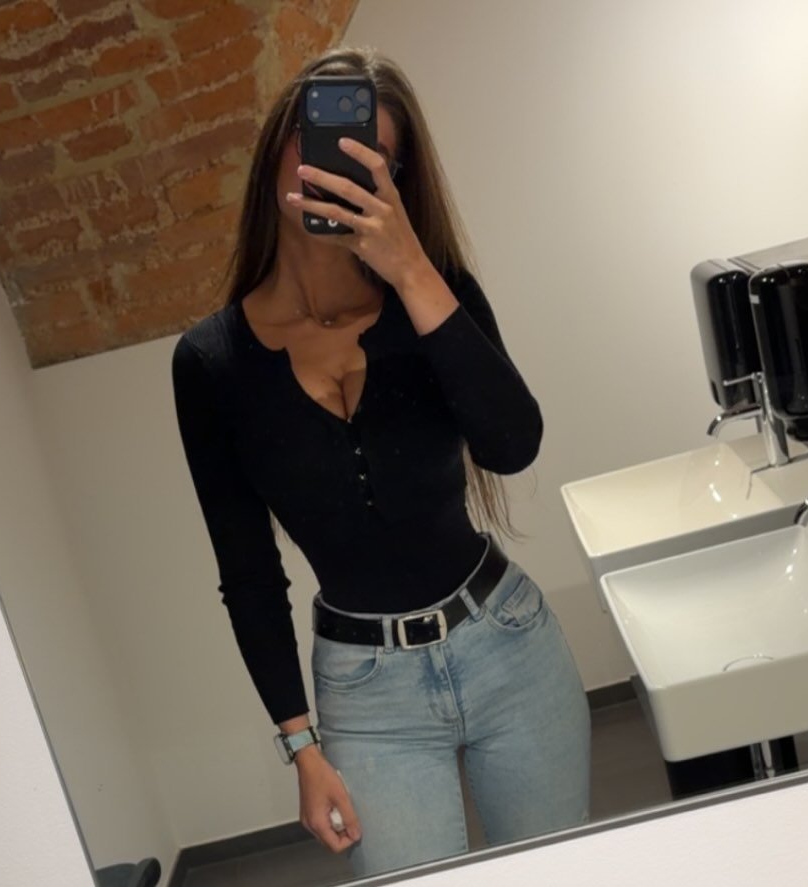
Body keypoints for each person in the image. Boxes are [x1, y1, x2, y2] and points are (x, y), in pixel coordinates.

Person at [171, 46, 590, 879]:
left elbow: (512, 446)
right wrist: (300, 746)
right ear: (277, 147)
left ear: (394, 178)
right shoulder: (211, 363)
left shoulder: (435, 291)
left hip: (507, 643)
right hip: (367, 694)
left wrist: (410, 269)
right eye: (317, 138)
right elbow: (247, 570)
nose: (336, 167)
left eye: (370, 156)